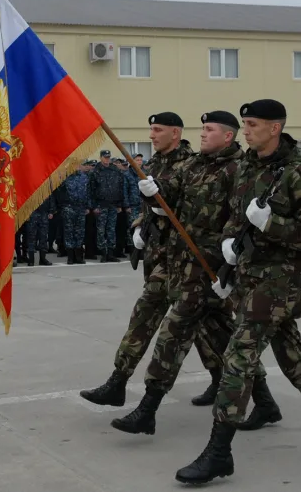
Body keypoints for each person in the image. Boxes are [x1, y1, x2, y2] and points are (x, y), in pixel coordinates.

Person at [175, 99, 301, 485]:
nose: (245, 131)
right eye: (243, 124)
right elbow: (236, 222)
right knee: (294, 360)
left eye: (252, 124)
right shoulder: (247, 168)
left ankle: (218, 453)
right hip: (250, 281)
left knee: (238, 359)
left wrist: (272, 224)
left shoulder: (298, 175)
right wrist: (227, 261)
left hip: (280, 285)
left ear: (275, 129)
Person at [109, 110, 244, 435]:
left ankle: (147, 408)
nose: (203, 134)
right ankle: (264, 401)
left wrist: (233, 256)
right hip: (183, 263)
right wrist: (151, 202)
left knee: (177, 333)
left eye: (209, 129)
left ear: (227, 136)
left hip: (212, 268)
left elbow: (241, 217)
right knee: (218, 335)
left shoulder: (238, 169)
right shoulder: (197, 165)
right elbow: (171, 195)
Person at [79, 112, 196, 407]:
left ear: (175, 133)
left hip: (188, 262)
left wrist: (160, 210)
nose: (152, 135)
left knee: (213, 336)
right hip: (161, 259)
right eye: (151, 129)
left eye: (157, 130)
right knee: (142, 318)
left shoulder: (191, 165)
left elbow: (192, 212)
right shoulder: (155, 164)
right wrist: (139, 226)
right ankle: (117, 382)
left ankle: (258, 394)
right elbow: (147, 206)